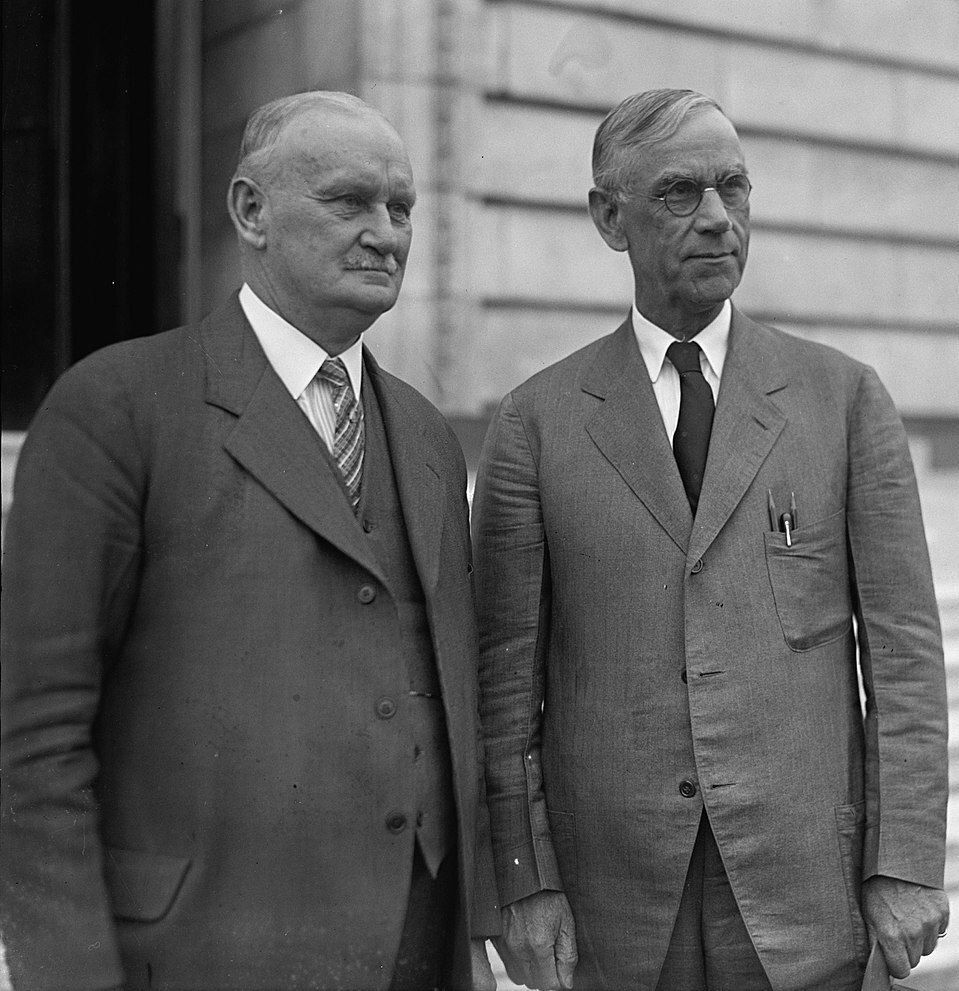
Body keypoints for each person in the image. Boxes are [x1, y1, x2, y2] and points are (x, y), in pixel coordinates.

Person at [1, 91, 500, 990]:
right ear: (250, 211)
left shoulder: (427, 435)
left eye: (401, 209)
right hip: (200, 954)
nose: (385, 233)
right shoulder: (117, 406)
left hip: (411, 951)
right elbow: (35, 741)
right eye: (349, 203)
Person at [471, 88, 949, 990]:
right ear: (609, 218)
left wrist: (907, 857)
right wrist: (524, 882)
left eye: (734, 187)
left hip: (806, 899)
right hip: (616, 911)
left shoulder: (842, 400)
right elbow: (504, 688)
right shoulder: (535, 423)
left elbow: (904, 658)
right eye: (679, 193)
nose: (717, 219)